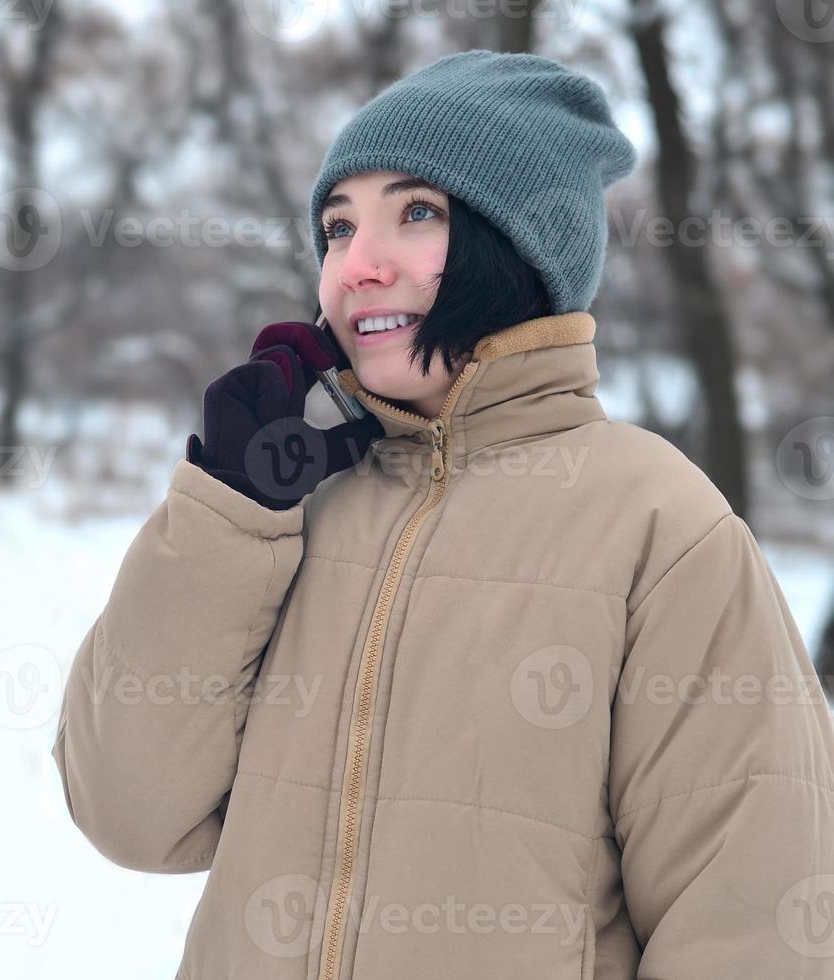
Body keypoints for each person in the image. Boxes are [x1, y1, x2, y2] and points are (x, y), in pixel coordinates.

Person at [50, 49, 834, 979]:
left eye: (416, 213)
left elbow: (753, 928)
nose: (357, 267)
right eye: (337, 229)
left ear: (520, 249)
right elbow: (130, 814)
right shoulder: (290, 503)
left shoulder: (658, 526)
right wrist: (227, 505)